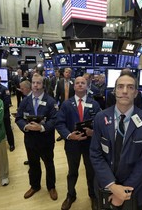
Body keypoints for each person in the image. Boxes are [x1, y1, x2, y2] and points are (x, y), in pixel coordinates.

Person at [90, 72, 142, 210]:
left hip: (134, 190)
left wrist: (123, 193)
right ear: (114, 91)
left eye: (130, 87)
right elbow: (95, 154)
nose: (125, 91)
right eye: (120, 86)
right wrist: (112, 186)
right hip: (105, 186)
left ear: (136, 93)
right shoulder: (101, 117)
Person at [55, 76, 101, 210]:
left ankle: (93, 196)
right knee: (72, 171)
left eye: (83, 83)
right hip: (72, 144)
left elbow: (100, 124)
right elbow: (60, 123)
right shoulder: (66, 104)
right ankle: (71, 195)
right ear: (73, 86)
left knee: (91, 171)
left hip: (90, 143)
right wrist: (69, 135)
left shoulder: (94, 104)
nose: (80, 85)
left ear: (87, 86)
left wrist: (94, 132)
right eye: (78, 83)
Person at [15, 73, 58, 201]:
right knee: (33, 164)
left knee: (49, 164)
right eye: (33, 82)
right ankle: (35, 186)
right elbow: (18, 118)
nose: (35, 85)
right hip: (30, 139)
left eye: (38, 83)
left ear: (43, 84)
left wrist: (42, 127)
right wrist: (26, 126)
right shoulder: (25, 101)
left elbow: (55, 119)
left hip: (46, 139)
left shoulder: (51, 101)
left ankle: (51, 187)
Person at [19, 80, 32, 166]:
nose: (21, 90)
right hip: (27, 128)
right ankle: (31, 160)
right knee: (29, 147)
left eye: (22, 88)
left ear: (27, 88)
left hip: (35, 128)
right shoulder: (25, 99)